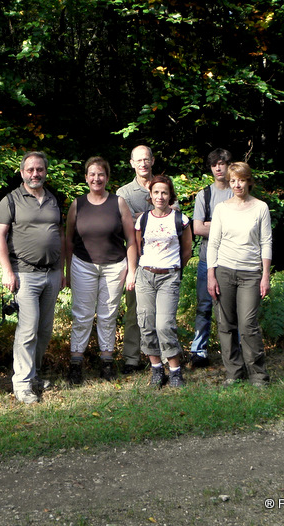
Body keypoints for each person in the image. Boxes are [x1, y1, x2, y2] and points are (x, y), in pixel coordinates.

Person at [0, 151, 65, 404]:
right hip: (24, 274)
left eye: (40, 169)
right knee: (28, 329)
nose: (35, 174)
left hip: (52, 273)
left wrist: (62, 269)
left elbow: (60, 234)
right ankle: (22, 384)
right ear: (22, 172)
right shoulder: (10, 200)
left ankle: (33, 375)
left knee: (44, 330)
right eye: (30, 169)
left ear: (46, 171)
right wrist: (7, 271)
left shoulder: (54, 199)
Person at [65, 156, 137, 384]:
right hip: (82, 265)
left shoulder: (118, 203)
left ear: (107, 177)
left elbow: (131, 238)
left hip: (115, 266)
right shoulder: (77, 204)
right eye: (92, 174)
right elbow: (68, 239)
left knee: (108, 315)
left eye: (101, 174)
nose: (97, 178)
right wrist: (66, 271)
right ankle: (76, 362)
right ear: (86, 177)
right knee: (82, 314)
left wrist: (132, 270)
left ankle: (106, 361)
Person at [207, 162, 272, 387]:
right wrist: (211, 275)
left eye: (241, 180)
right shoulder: (222, 209)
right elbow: (213, 243)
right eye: (233, 180)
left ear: (249, 181)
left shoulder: (260, 207)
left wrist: (265, 275)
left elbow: (266, 242)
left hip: (251, 273)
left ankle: (258, 375)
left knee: (248, 324)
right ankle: (234, 372)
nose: (237, 184)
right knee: (225, 324)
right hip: (224, 270)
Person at [135, 175, 192, 388]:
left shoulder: (180, 220)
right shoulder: (143, 220)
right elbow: (138, 247)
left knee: (165, 324)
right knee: (146, 323)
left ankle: (175, 371)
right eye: (156, 192)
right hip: (145, 276)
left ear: (170, 196)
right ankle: (157, 369)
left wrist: (174, 270)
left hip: (169, 276)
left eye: (164, 192)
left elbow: (186, 251)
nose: (160, 196)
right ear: (150, 195)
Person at [190, 149, 239, 368]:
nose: (218, 168)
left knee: (232, 308)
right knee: (204, 306)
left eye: (222, 163)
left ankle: (235, 351)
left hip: (234, 260)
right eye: (214, 165)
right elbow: (198, 228)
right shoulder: (205, 195)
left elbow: (244, 227)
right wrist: (226, 226)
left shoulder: (237, 191)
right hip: (206, 260)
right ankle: (198, 351)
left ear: (230, 165)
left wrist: (214, 226)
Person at [115, 145, 155, 374]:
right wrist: (156, 215)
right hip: (135, 260)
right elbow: (126, 225)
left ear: (152, 160)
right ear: (132, 163)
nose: (143, 164)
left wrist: (141, 217)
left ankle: (158, 355)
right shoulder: (124, 193)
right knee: (134, 311)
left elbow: (176, 218)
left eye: (146, 159)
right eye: (138, 160)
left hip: (163, 260)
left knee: (159, 312)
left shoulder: (163, 185)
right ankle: (131, 358)